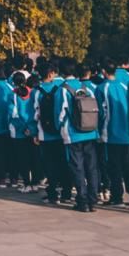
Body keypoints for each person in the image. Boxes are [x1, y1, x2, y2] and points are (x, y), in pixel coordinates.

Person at [97, 62, 129, 207]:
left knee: (114, 167)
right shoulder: (125, 86)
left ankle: (117, 197)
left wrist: (99, 131)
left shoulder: (102, 88)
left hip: (111, 133)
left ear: (104, 71)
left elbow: (100, 113)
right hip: (127, 133)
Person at [58, 65, 101, 213]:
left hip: (73, 133)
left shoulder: (63, 89)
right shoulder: (86, 88)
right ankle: (93, 199)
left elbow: (60, 114)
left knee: (77, 167)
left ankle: (82, 200)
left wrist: (60, 129)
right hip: (90, 131)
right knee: (92, 167)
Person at [33, 66, 71, 205]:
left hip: (44, 133)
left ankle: (52, 194)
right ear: (51, 74)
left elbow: (34, 114)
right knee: (63, 163)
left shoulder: (36, 92)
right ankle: (66, 192)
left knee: (49, 165)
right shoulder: (60, 89)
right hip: (59, 133)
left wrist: (34, 132)